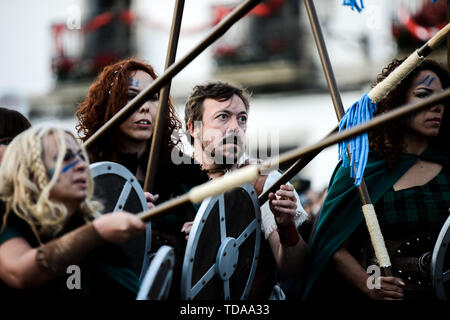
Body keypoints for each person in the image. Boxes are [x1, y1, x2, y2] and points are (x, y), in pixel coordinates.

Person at [303, 58, 450, 300]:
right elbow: (332, 247)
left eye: (442, 97)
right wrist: (368, 283)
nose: (437, 106)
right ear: (394, 101)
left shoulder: (447, 164)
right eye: (424, 95)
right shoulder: (361, 169)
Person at [76, 58, 209, 297]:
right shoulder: (82, 170)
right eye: (131, 96)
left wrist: (201, 230)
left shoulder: (184, 170)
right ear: (110, 103)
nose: (144, 106)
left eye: (152, 97)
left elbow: (217, 227)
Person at [183, 81, 309, 299]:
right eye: (223, 117)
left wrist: (286, 226)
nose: (235, 127)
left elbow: (294, 268)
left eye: (242, 118)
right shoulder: (175, 184)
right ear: (194, 127)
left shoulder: (263, 180)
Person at [0, 126, 146, 297]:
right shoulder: (6, 215)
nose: (82, 165)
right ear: (31, 171)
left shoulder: (86, 224)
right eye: (66, 157)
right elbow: (19, 274)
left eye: (81, 156)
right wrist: (96, 232)